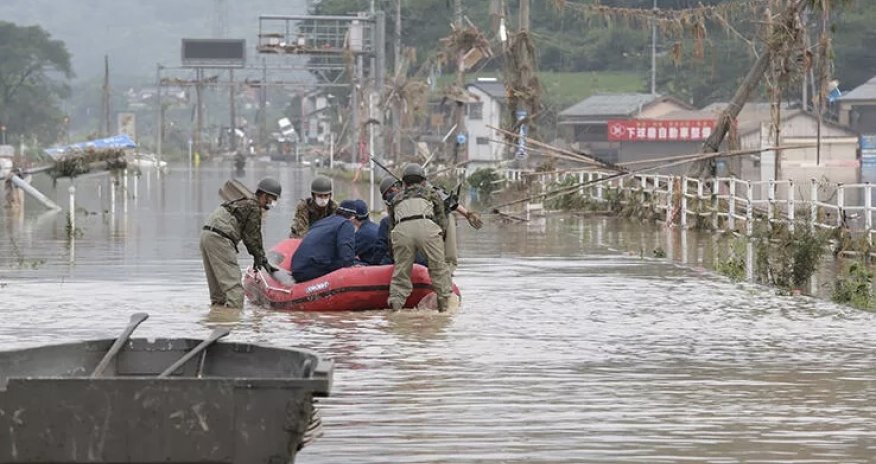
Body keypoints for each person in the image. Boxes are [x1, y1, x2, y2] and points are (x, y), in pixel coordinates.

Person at [200, 177, 281, 309]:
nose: (274, 203)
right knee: (235, 293)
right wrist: (262, 259)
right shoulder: (254, 207)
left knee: (219, 295)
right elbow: (252, 237)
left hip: (207, 235)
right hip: (220, 239)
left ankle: (217, 319)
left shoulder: (242, 202)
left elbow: (249, 237)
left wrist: (258, 258)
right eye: (273, 199)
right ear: (265, 196)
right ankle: (233, 322)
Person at [387, 164, 453, 312]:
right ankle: (444, 309)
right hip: (426, 227)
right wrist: (438, 237)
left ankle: (396, 309)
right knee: (438, 269)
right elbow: (442, 219)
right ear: (423, 181)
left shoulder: (395, 198)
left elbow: (391, 227)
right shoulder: (430, 193)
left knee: (401, 273)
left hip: (401, 230)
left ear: (404, 183)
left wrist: (393, 251)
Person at [291, 199, 357, 282]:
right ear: (353, 217)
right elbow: (346, 254)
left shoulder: (322, 222)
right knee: (347, 263)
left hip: (296, 268)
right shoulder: (346, 224)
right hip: (311, 269)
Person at [352, 199, 380, 264]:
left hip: (375, 268)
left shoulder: (362, 234)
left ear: (353, 217)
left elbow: (347, 254)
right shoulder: (376, 227)